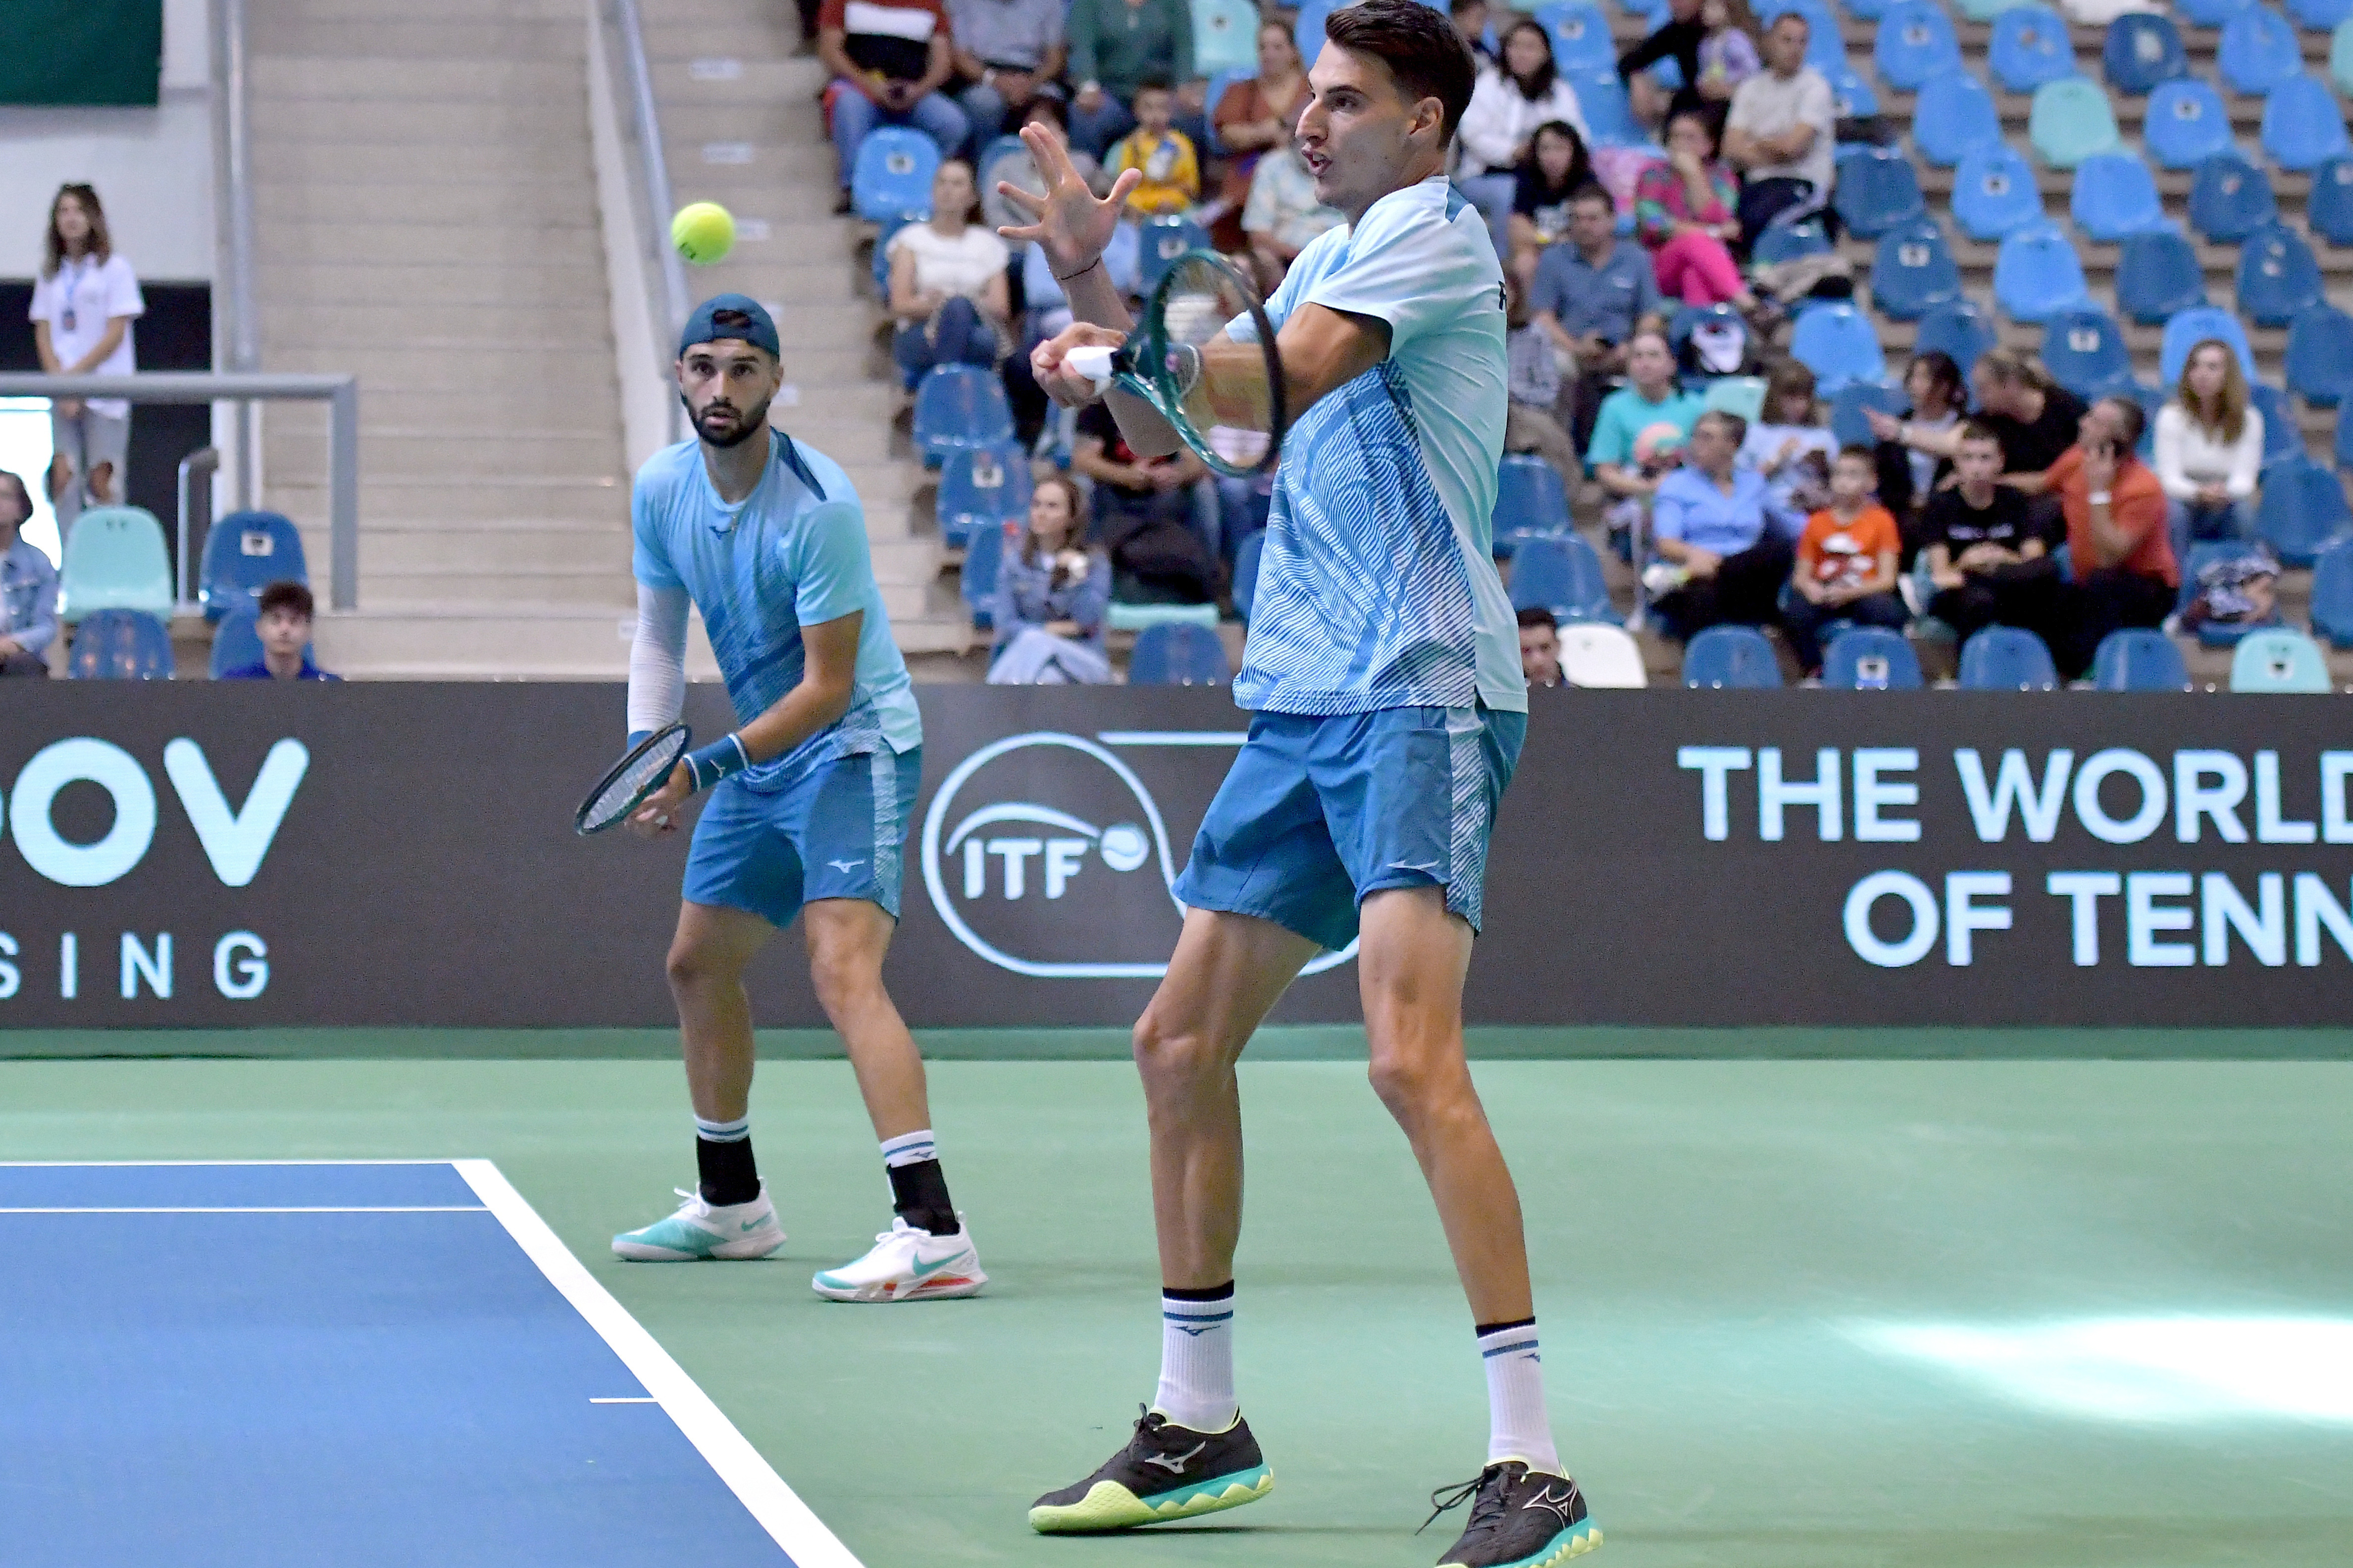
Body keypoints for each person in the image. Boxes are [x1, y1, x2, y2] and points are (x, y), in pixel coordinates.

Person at [1003, 4, 1596, 1562]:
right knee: (1178, 1039)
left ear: (1426, 122)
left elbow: (1277, 379)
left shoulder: (1434, 242)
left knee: (1410, 1058)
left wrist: (1108, 343)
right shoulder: (1320, 264)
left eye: (1346, 99)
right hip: (1303, 693)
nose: (1310, 121)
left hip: (1421, 690)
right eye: (1306, 98)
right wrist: (1086, 284)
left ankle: (1531, 1459)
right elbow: (1170, 419)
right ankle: (1197, 1416)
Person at [611, 296, 983, 1306]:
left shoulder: (819, 503)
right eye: (701, 368)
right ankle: (732, 1203)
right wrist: (652, 752)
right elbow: (657, 636)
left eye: (741, 369)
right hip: (762, 757)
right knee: (698, 961)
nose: (719, 389)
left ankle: (933, 1228)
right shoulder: (663, 489)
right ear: (678, 378)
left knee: (842, 969)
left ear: (775, 380)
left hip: (853, 744)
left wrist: (705, 765)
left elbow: (824, 688)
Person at [30, 184, 143, 543]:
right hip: (64, 392)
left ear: (93, 217)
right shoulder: (51, 274)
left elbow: (114, 333)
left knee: (101, 478)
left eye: (78, 210)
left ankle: (108, 559)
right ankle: (72, 561)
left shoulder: (115, 269)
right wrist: (60, 385)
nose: (71, 218)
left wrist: (76, 379)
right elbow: (44, 332)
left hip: (104, 388)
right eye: (63, 211)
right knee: (63, 475)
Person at [2044, 395, 2177, 679]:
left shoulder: (2144, 488)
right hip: (2089, 578)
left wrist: (2099, 492)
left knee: (2102, 587)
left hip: (2147, 586)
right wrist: (1989, 481)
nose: (2083, 423)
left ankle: (2094, 675)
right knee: (2048, 592)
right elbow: (2040, 484)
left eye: (2095, 421)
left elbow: (2110, 557)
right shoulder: (2076, 459)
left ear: (2121, 437)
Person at [1532, 183, 1663, 454]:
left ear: (1612, 220)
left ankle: (1641, 450)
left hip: (1623, 349)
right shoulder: (1554, 259)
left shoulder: (1636, 258)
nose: (1584, 226)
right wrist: (1575, 348)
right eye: (1577, 219)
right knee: (1556, 365)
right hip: (1571, 349)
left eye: (1593, 219)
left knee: (1650, 359)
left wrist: (1631, 346)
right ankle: (1562, 451)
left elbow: (1651, 315)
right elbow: (1543, 316)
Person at [1646, 408, 1798, 640]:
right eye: (1696, 436)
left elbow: (1792, 526)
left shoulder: (1753, 484)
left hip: (1748, 577)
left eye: (1707, 437)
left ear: (1732, 445)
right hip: (1698, 573)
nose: (1697, 444)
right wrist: (1695, 555)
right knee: (1703, 594)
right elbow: (1667, 543)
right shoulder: (1676, 486)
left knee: (1783, 550)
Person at [1902, 349, 2086, 533]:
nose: (1979, 398)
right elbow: (1950, 444)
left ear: (2010, 385)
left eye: (1984, 389)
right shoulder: (1989, 419)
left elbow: (2050, 480)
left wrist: (1990, 479)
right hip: (2008, 504)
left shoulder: (2067, 409)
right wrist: (1900, 432)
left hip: (2059, 502)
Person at [818, 0, 969, 212]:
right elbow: (830, 51)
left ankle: (929, 190)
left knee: (951, 122)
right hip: (861, 87)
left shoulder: (930, 4)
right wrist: (871, 86)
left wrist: (918, 90)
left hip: (914, 90)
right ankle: (854, 190)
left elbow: (942, 63)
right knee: (850, 106)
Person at [1457, 20, 1588, 260]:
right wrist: (1514, 152)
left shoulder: (1560, 90)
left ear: (1546, 53)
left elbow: (1578, 135)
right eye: (1515, 46)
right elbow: (1471, 134)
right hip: (1487, 175)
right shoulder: (1488, 84)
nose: (1521, 54)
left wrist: (1552, 153)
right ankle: (1505, 268)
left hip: (1544, 173)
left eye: (1530, 47)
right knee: (1510, 192)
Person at [1920, 421, 2057, 648]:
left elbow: (2035, 561)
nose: (1976, 468)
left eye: (1985, 458)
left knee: (2047, 579)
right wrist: (1966, 563)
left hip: (2010, 584)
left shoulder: (2015, 500)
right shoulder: (1940, 506)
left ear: (2000, 462)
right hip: (1962, 588)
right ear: (1957, 463)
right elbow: (1941, 575)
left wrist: (2001, 559)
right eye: (1969, 458)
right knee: (1979, 599)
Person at [1074, 398, 1219, 603]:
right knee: (1081, 486)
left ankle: (1207, 578)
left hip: (1165, 496)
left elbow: (1198, 461)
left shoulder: (1175, 402)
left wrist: (1176, 473)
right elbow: (1082, 459)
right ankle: (1089, 583)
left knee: (1204, 490)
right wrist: (1125, 476)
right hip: (1113, 497)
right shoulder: (1101, 406)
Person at [886, 159, 1013, 389]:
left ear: (972, 196)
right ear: (932, 191)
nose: (947, 190)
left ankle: (944, 390)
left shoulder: (988, 243)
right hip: (921, 333)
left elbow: (1000, 307)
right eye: (941, 183)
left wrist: (950, 302)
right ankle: (955, 392)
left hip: (977, 327)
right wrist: (954, 306)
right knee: (970, 329)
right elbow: (900, 304)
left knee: (964, 313)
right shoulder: (909, 240)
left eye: (957, 184)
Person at [1782, 447, 1905, 675]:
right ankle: (1814, 670)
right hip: (1825, 590)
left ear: (1871, 482)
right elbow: (1801, 575)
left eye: (1853, 475)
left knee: (1886, 612)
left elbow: (1887, 580)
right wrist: (1812, 589)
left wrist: (1849, 593)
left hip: (1864, 590)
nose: (1843, 482)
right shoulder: (1817, 522)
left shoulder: (1882, 520)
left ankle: (1875, 669)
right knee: (1796, 613)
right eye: (1838, 474)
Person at [1720, 11, 1833, 248]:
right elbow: (1730, 148)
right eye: (1787, 40)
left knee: (1753, 228)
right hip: (1755, 186)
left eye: (1802, 41)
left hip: (1802, 184)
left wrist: (1755, 142)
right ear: (1769, 42)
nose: (1795, 48)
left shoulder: (1816, 88)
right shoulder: (1750, 88)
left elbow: (1793, 147)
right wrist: (1777, 148)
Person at [988, 474, 1114, 683]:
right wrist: (1049, 631)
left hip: (1082, 659)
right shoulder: (1015, 564)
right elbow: (1005, 625)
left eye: (1052, 506)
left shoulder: (1095, 562)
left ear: (1072, 516)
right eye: (1036, 505)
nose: (1041, 513)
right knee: (1047, 678)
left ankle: (992, 698)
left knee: (1031, 640)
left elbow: (1087, 620)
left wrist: (1078, 576)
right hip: (1031, 659)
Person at [1634, 109, 1764, 311]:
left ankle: (1700, 331)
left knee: (1695, 273)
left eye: (1690, 138)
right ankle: (1747, 303)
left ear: (1708, 145)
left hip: (1707, 265)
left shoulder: (1722, 176)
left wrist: (1694, 175)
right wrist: (1711, 233)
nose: (1680, 143)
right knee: (1695, 242)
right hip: (1660, 265)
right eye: (1675, 137)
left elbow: (1720, 217)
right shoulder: (1653, 174)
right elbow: (1654, 224)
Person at [1212, 20, 1314, 247]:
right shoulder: (1241, 91)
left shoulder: (1314, 89)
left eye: (1277, 47)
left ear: (1294, 51)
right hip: (1249, 178)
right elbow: (1229, 134)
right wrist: (1270, 131)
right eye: (1263, 48)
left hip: (1306, 179)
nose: (1269, 54)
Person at [2156, 339, 2262, 544]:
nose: (2202, 374)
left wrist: (2223, 493)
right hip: (2183, 498)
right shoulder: (2170, 416)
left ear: (2229, 376)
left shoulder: (2250, 419)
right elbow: (2169, 479)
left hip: (2226, 500)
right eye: (2195, 366)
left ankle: (2243, 571)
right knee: (2173, 512)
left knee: (2244, 513)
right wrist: (2199, 492)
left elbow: (2245, 480)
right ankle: (2177, 574)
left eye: (2212, 367)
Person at [1065, 0, 1203, 158]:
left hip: (1160, 92)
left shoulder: (1174, 4)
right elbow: (1083, 47)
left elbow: (1184, 45)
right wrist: (1088, 86)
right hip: (1111, 91)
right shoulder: (1089, 4)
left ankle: (1187, 180)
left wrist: (1184, 85)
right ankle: (1086, 179)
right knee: (1085, 117)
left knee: (1192, 118)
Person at [1586, 325, 1703, 507]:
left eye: (1654, 356)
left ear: (1672, 365)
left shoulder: (1696, 407)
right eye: (1637, 356)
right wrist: (1649, 487)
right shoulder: (1614, 407)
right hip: (1635, 498)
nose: (1645, 364)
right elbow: (1605, 471)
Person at [1863, 348, 1964, 537]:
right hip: (1903, 517)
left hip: (1951, 517)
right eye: (1913, 377)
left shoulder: (1963, 423)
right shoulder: (1897, 424)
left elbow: (1954, 449)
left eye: (1923, 378)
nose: (1913, 385)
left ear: (1944, 386)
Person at [946, 0, 1066, 157]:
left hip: (1034, 76)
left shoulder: (1049, 3)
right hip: (984, 77)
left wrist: (1031, 83)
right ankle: (984, 168)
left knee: (1050, 101)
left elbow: (1056, 58)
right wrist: (996, 81)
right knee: (984, 103)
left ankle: (1047, 174)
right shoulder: (962, 3)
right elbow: (961, 57)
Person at [1242, 135, 1347, 293]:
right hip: (1287, 260)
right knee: (1247, 265)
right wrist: (1303, 258)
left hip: (1342, 258)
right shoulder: (1272, 165)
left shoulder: (1351, 165)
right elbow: (1258, 235)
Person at [1504, 273, 1581, 483]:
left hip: (1523, 409)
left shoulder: (1535, 334)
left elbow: (1548, 393)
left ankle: (1563, 498)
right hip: (1479, 412)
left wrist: (1510, 392)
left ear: (1516, 294)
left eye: (1504, 290)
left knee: (1547, 435)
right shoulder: (1468, 334)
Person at [1736, 359, 1834, 520]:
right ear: (1775, 397)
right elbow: (1742, 484)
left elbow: (1837, 481)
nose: (1800, 405)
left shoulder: (1823, 436)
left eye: (1805, 398)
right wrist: (1777, 459)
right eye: (1792, 398)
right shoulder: (1756, 433)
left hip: (1813, 509)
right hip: (1768, 509)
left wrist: (1822, 468)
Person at [1503, 120, 1594, 291]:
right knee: (1525, 263)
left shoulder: (1587, 182)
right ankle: (1531, 318)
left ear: (1575, 152)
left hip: (1579, 251)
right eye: (1545, 149)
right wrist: (1549, 240)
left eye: (1560, 149)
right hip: (1540, 249)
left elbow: (1590, 227)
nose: (1552, 157)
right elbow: (1518, 226)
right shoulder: (1528, 178)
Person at [1106, 75, 1201, 216]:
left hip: (1173, 204)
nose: (1156, 115)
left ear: (1172, 111)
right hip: (1137, 205)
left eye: (1162, 108)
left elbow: (1191, 188)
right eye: (1148, 108)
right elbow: (1118, 187)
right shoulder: (1127, 146)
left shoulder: (1182, 144)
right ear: (1136, 110)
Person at [215, 579, 340, 681]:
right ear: (260, 628)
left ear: (309, 631)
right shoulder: (234, 684)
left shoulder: (329, 688)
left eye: (294, 621)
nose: (285, 629)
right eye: (276, 620)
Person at [0, 470, 58, 679]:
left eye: (4, 496)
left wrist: (13, 644)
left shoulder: (39, 563)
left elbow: (45, 627)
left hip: (19, 658)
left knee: (23, 666)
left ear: (20, 508)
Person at [1619, 0, 1707, 129]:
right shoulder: (1679, 30)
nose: (1675, 4)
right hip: (1696, 105)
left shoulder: (1731, 34)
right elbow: (1635, 59)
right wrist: (1636, 78)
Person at [1694, 0, 1763, 109]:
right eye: (1705, 8)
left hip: (1737, 96)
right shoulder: (1705, 45)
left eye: (1714, 7)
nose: (1708, 12)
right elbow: (1703, 70)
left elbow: (1753, 70)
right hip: (1712, 98)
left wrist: (1731, 88)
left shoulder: (1737, 40)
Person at [1518, 604, 1563, 687]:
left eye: (1545, 648)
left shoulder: (1583, 696)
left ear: (1558, 646)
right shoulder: (1506, 698)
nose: (1537, 660)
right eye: (1526, 651)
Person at [1450, 0, 1493, 66]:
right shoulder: (1442, 49)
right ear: (1460, 16)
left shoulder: (1484, 54)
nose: (1483, 24)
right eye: (1479, 18)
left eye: (1484, 19)